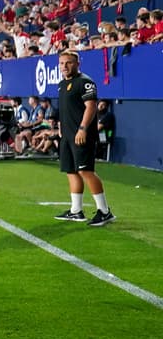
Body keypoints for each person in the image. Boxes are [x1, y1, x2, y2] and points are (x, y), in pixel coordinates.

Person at [53, 50, 114, 226]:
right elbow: (67, 109)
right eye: (62, 63)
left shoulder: (85, 82)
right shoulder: (62, 84)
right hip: (67, 135)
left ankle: (104, 211)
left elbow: (91, 107)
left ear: (77, 64)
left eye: (69, 63)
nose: (65, 66)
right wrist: (60, 127)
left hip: (82, 135)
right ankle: (76, 211)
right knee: (71, 171)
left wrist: (82, 129)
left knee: (85, 171)